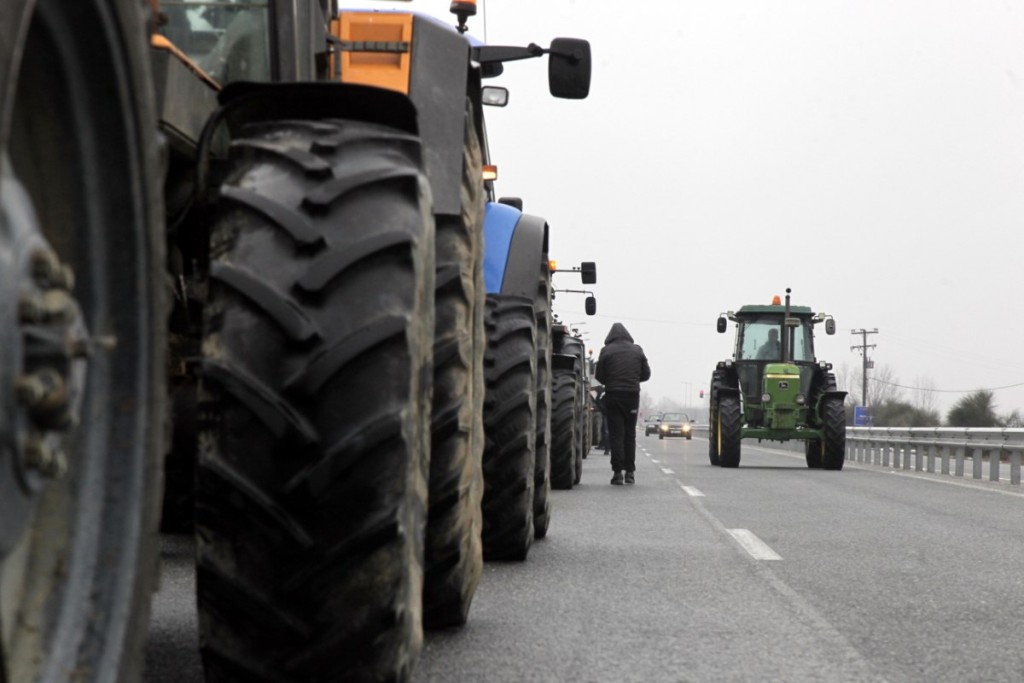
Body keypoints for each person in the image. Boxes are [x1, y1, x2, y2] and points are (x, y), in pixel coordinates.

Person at [594, 323, 650, 485]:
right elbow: (646, 374)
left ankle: (617, 473)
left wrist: (611, 381)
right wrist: (633, 379)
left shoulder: (606, 351)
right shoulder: (637, 350)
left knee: (616, 434)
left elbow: (599, 375)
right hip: (632, 395)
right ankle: (630, 472)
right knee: (629, 434)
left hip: (613, 395)